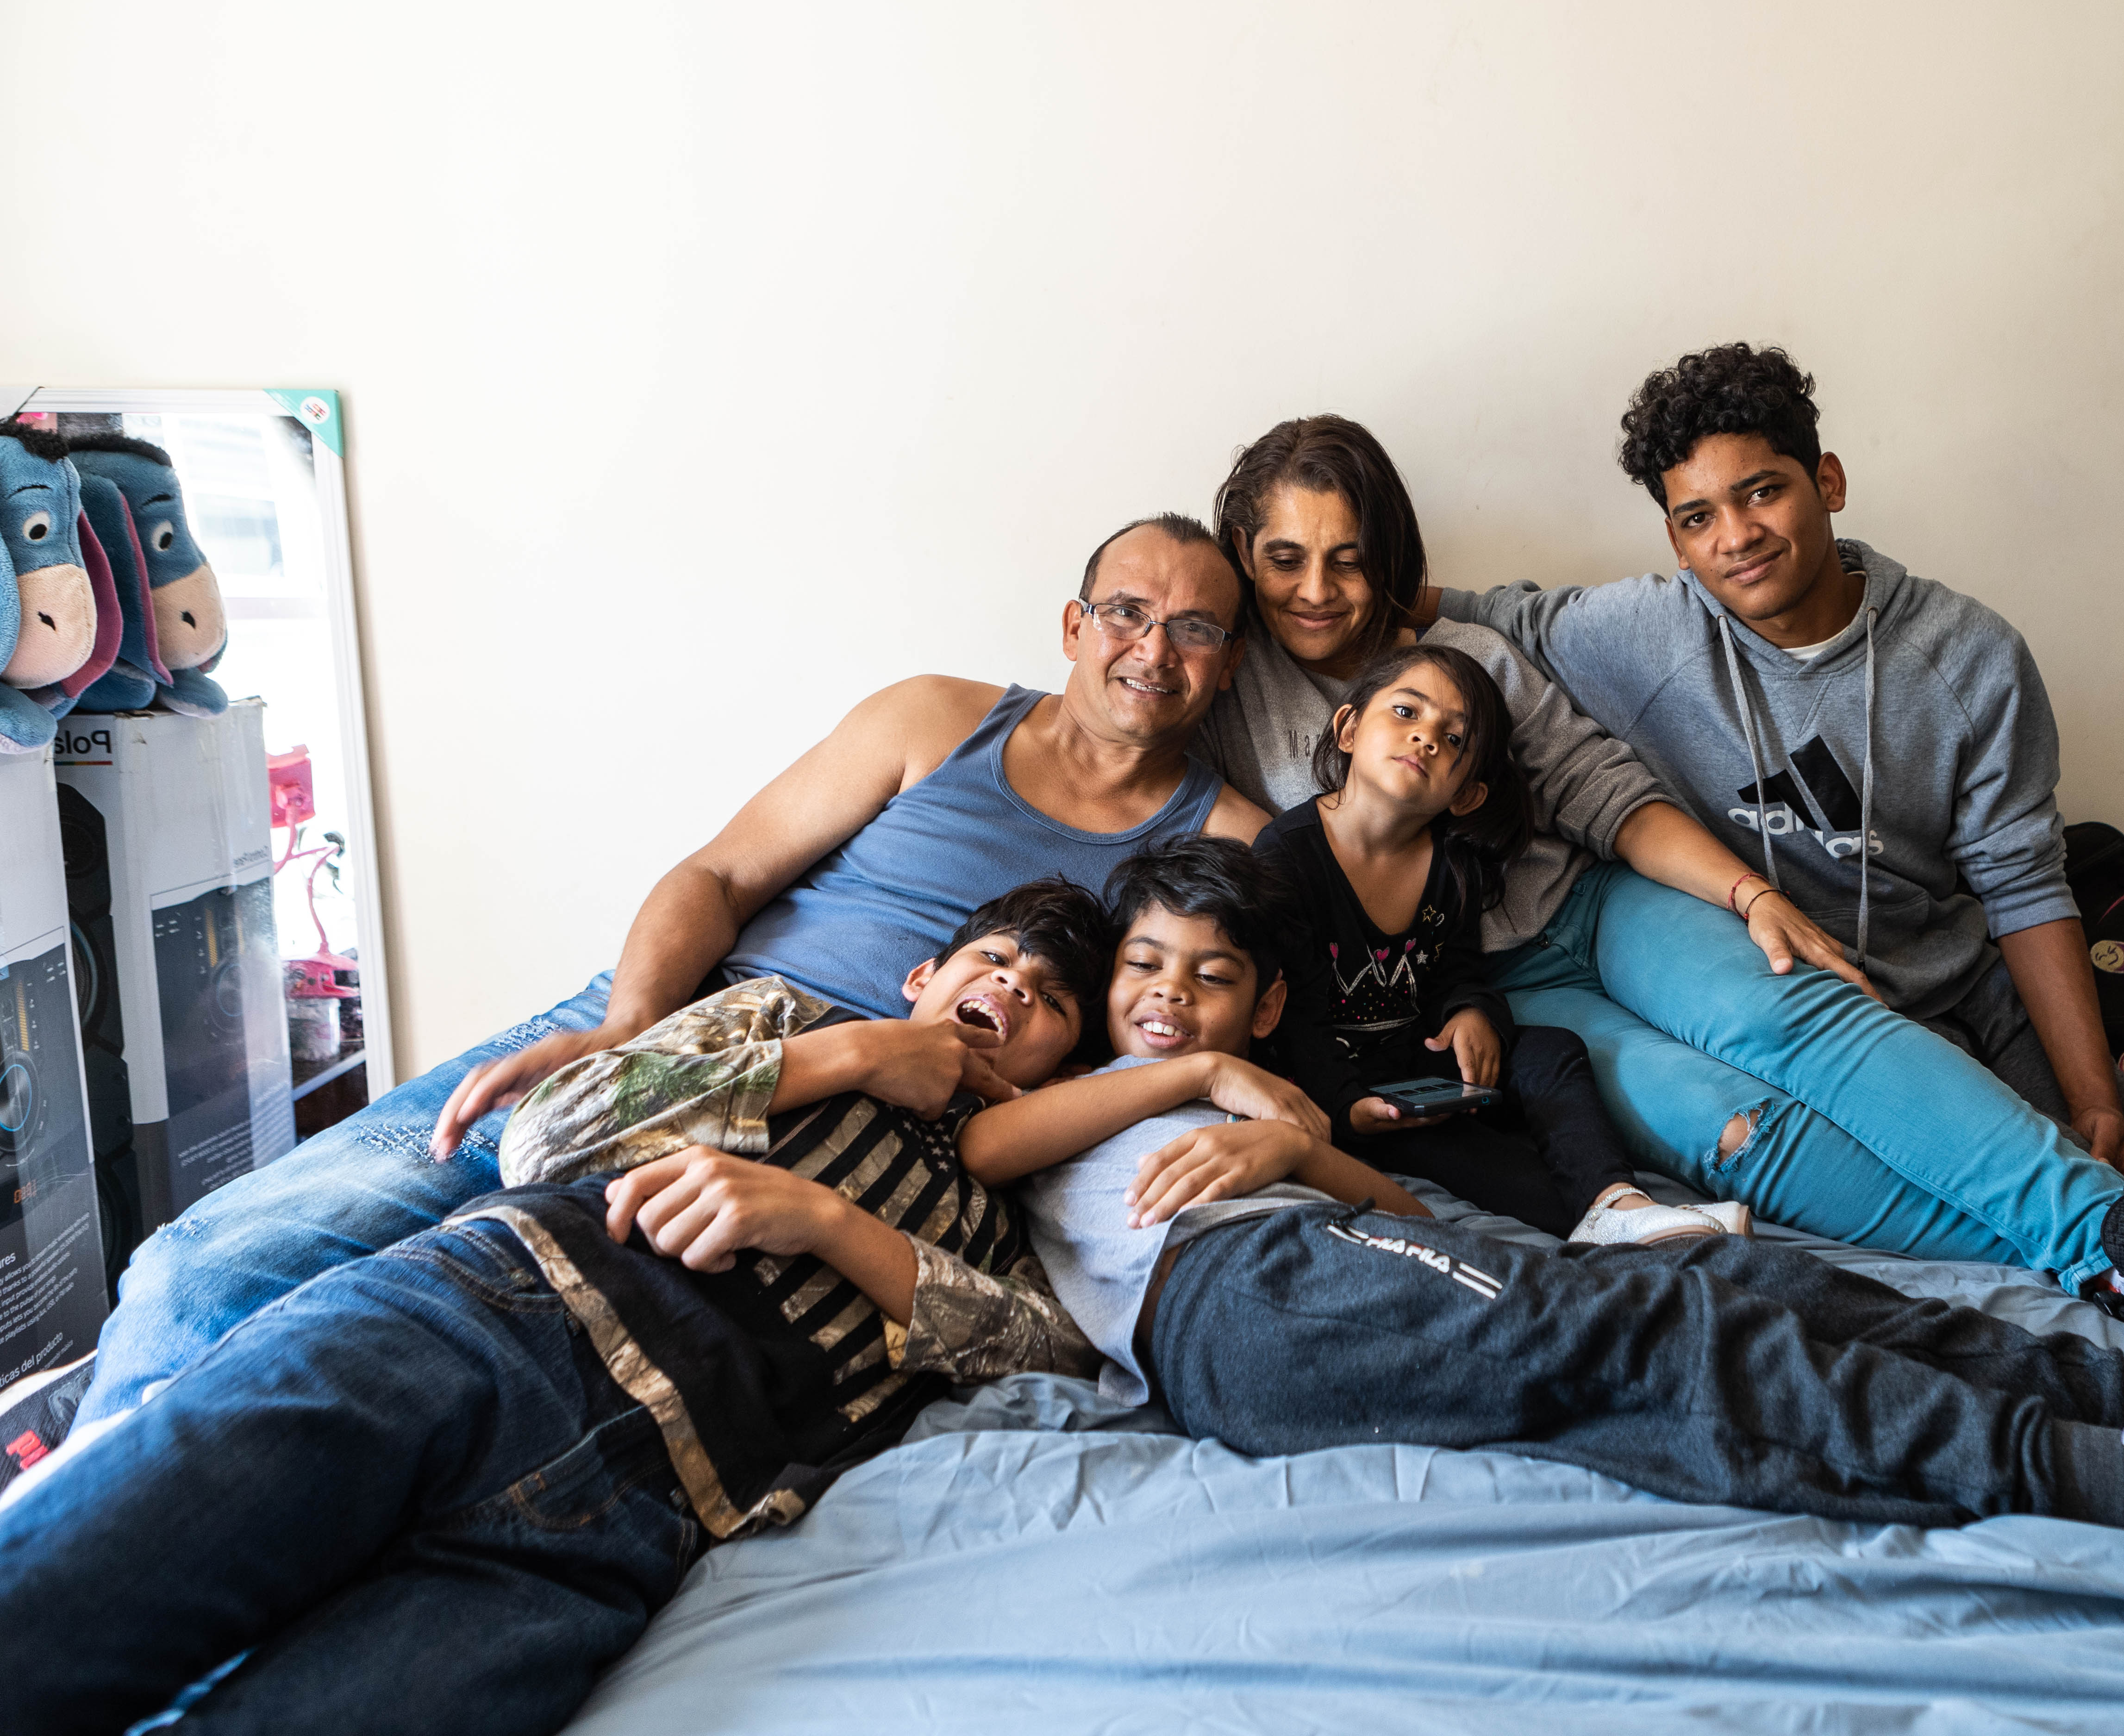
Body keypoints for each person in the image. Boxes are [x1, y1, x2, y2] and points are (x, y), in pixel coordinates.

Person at [956, 838, 2124, 1623]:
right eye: (1140, 969)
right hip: (1239, 1302)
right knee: (1664, 1328)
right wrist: (1207, 1076)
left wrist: (1291, 1139)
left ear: (1269, 1000)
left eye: (1209, 980)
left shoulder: (1253, 1102)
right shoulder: (1068, 1110)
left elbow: (1397, 1206)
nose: (1167, 993)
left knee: (1733, 1274)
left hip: (1326, 1258)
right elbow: (980, 1129)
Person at [50, 512, 1271, 1444]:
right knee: (215, 1268)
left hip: (871, 1126)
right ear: (1072, 626)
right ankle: (89, 1475)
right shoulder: (936, 717)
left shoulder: (1234, 843)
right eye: (1125, 612)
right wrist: (626, 1026)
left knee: (386, 1331)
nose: (1152, 650)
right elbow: (722, 875)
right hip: (673, 1026)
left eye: (1198, 629)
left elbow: (1278, 998)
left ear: (1230, 666)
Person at [1203, 415, 2124, 1352]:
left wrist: (1749, 896)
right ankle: (2109, 1262)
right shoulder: (1227, 690)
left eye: (1348, 558)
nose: (1316, 590)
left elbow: (1603, 792)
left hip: (1601, 906)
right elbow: (1122, 747)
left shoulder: (1466, 649)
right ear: (1244, 560)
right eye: (1286, 559)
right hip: (1499, 991)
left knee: (1799, 1017)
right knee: (1732, 1130)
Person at [0, 883, 1112, 1735]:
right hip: (468, 1323)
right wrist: (854, 1052)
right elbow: (545, 1137)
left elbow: (1046, 1353)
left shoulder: (1000, 1222)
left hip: (628, 1517)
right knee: (74, 1590)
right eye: (995, 959)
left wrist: (820, 1220)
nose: (1014, 988)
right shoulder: (784, 1015)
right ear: (924, 974)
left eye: (1052, 999)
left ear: (1069, 1066)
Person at [1431, 345, 2124, 1234]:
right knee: (2000, 1212)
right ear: (1674, 538)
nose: (1736, 537)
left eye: (1762, 492)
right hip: (1810, 1006)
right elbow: (1458, 610)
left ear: (1829, 480)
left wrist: (2093, 1095)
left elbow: (2023, 885)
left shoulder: (1971, 655)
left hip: (1956, 979)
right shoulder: (1640, 631)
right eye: (1698, 517)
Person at [1253, 641, 1733, 1243]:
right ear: (1348, 728)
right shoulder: (1286, 857)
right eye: (1407, 712)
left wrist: (1472, 1012)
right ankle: (1599, 1230)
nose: (1427, 738)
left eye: (1454, 739)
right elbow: (1291, 1019)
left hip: (1419, 1068)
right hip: (1336, 1091)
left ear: (1467, 794)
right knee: (1491, 1169)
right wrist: (1347, 1105)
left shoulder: (1452, 864)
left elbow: (1454, 969)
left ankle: (1617, 1200)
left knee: (1552, 1051)